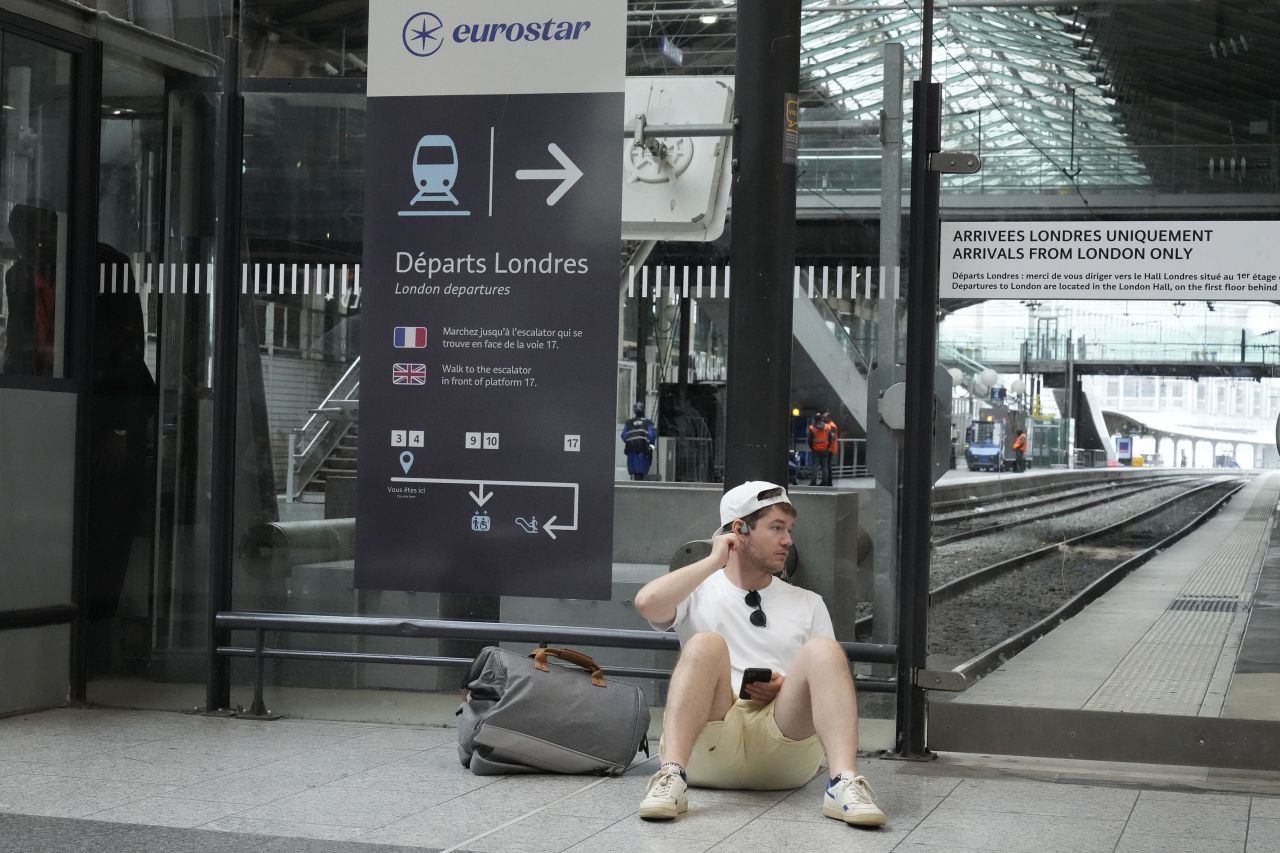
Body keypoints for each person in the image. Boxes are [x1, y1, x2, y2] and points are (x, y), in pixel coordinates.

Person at [632, 481, 886, 827]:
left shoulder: (807, 603)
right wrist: (713, 561)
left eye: (789, 530)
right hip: (708, 744)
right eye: (776, 529)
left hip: (782, 746)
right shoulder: (697, 591)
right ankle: (671, 777)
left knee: (824, 651)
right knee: (705, 644)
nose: (788, 541)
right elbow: (647, 603)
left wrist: (784, 689)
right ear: (739, 530)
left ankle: (843, 783)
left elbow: (826, 686)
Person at [622, 402, 657, 481]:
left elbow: (624, 436)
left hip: (632, 453)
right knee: (642, 476)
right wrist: (652, 447)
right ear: (643, 410)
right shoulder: (648, 422)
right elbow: (652, 437)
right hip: (643, 453)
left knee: (635, 476)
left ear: (634, 411)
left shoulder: (629, 423)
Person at [806, 411, 833, 486]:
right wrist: (827, 447)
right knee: (825, 466)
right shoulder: (828, 427)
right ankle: (825, 482)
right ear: (821, 419)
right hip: (825, 449)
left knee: (815, 466)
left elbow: (810, 440)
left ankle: (813, 482)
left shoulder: (812, 428)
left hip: (815, 449)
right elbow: (830, 438)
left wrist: (812, 447)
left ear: (815, 419)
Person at [823, 411, 840, 482]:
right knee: (827, 464)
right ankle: (828, 480)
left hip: (830, 448)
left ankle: (828, 481)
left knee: (828, 465)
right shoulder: (828, 425)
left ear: (829, 418)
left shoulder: (832, 426)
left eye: (825, 417)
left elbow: (832, 437)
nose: (823, 418)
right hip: (829, 447)